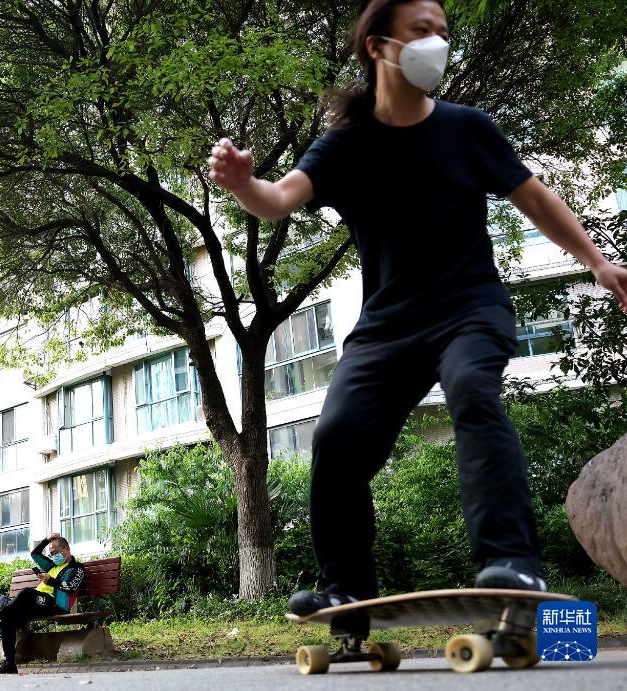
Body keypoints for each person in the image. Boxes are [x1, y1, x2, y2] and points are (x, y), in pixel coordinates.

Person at [208, 0, 627, 615]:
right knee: (336, 437)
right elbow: (277, 199)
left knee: (473, 393)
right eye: (421, 30)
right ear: (378, 46)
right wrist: (243, 182)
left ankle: (511, 562)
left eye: (442, 32)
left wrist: (597, 262)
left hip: (470, 309)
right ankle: (347, 588)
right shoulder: (344, 146)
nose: (437, 43)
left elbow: (535, 199)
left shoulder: (467, 128)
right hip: (387, 328)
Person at [0, 532, 86, 675]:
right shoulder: (51, 566)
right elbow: (35, 554)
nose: (54, 556)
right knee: (8, 621)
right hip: (37, 603)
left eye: (56, 552)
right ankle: (10, 664)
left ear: (66, 550)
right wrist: (47, 539)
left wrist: (50, 581)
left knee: (27, 592)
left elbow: (71, 586)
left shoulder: (77, 568)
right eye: (51, 554)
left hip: (54, 605)